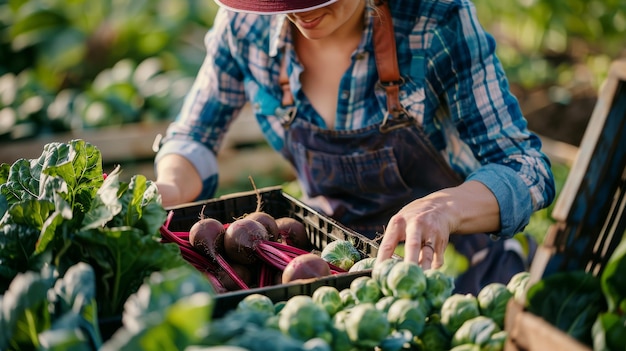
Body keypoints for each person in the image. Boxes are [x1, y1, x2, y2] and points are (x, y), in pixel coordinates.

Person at [154, 0, 555, 294]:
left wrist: (444, 208)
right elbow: (194, 136)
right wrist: (163, 193)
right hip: (330, 265)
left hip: (451, 266)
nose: (300, 11)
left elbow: (526, 166)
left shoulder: (434, 19)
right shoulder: (246, 25)